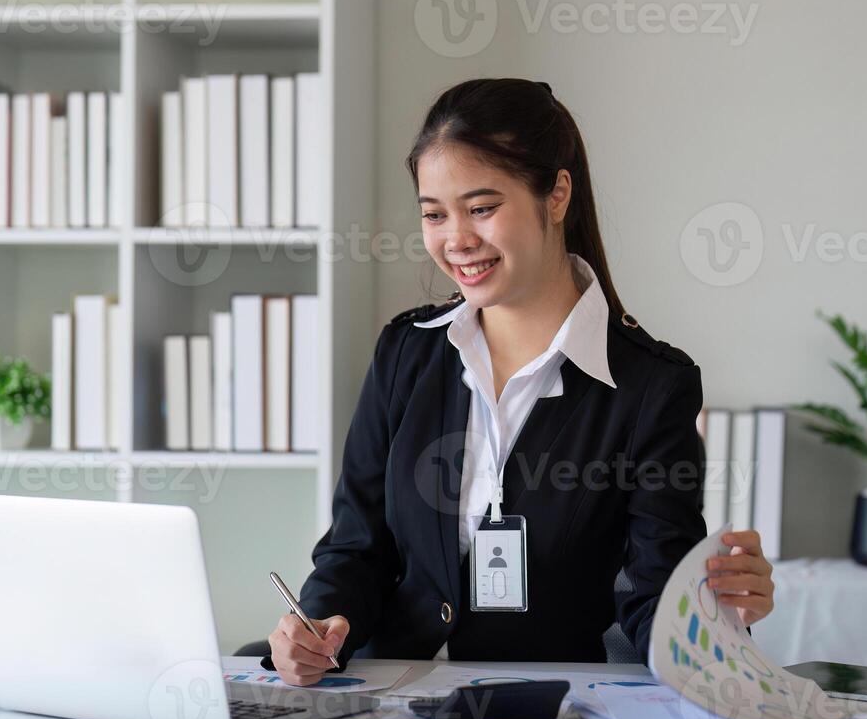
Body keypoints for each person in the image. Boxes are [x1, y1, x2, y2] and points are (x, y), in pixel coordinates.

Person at [268, 78, 775, 684]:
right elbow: (356, 550)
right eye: (434, 214)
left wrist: (715, 617)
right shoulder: (407, 352)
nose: (456, 239)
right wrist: (320, 625)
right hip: (390, 705)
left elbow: (654, 594)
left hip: (547, 715)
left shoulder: (650, 387)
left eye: (482, 208)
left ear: (557, 193)